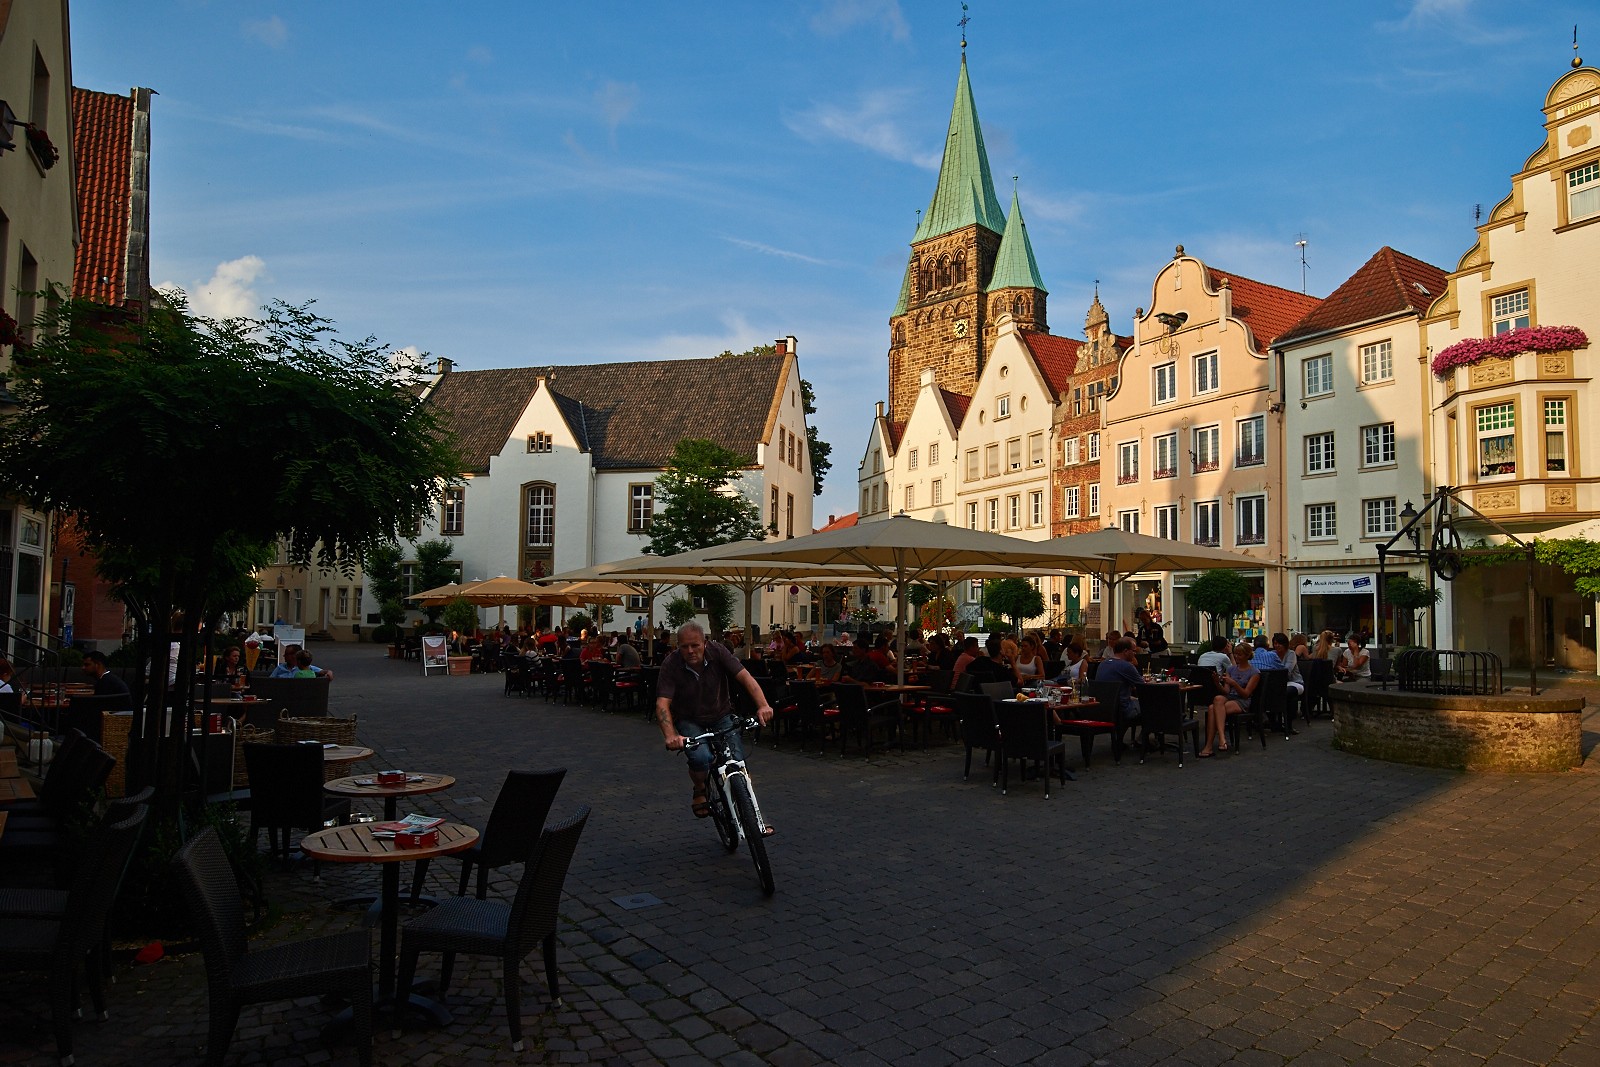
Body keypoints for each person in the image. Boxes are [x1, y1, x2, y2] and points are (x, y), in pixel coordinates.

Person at [655, 622, 773, 828]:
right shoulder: (671, 664)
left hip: (721, 714)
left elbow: (746, 678)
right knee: (701, 757)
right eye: (684, 646)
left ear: (705, 643)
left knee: (737, 761)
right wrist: (671, 735)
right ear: (677, 647)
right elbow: (662, 704)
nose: (690, 651)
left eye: (695, 645)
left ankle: (753, 817)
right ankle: (700, 787)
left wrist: (763, 705)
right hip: (689, 719)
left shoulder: (718, 652)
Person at [1201, 643, 1260, 757]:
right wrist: (1217, 683)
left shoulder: (1254, 672)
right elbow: (1226, 692)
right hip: (1230, 698)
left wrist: (1234, 683)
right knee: (1217, 699)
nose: (1236, 657)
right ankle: (1222, 738)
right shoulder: (1231, 669)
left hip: (1242, 700)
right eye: (1235, 654)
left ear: (1247, 656)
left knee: (1212, 708)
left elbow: (1246, 694)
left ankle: (1209, 746)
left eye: (1240, 655)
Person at [1094, 637, 1145, 738]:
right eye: (1133, 651)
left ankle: (1119, 740)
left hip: (1102, 708)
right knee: (1152, 706)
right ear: (1125, 651)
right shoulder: (1126, 666)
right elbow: (1143, 687)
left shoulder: (1103, 664)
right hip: (1121, 709)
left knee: (1133, 700)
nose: (1135, 654)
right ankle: (1143, 740)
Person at [1272, 632, 1304, 733]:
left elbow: (1287, 671)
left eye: (1279, 644)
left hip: (1294, 682)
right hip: (1279, 683)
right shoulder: (1273, 654)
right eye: (1275, 643)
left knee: (1287, 693)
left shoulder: (1291, 654)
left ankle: (1288, 723)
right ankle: (1274, 722)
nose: (1277, 646)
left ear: (1285, 644)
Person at [269, 643, 333, 680]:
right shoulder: (280, 668)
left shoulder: (306, 667)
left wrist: (329, 672)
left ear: (294, 655)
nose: (284, 656)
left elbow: (323, 672)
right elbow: (270, 681)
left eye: (286, 654)